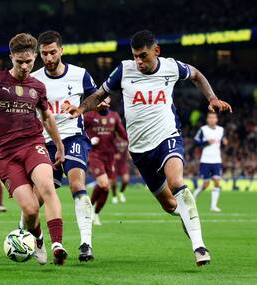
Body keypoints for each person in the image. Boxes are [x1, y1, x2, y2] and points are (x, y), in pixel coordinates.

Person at [64, 29, 232, 266]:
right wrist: (81, 110)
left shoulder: (172, 67)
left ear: (156, 51)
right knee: (170, 205)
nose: (138, 61)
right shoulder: (124, 70)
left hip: (167, 137)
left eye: (143, 56)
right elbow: (100, 93)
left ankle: (199, 246)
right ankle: (186, 213)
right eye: (135, 56)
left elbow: (196, 74)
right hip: (141, 151)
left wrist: (212, 98)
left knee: (176, 182)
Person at [0, 33, 68, 265]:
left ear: (34, 59)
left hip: (33, 144)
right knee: (30, 210)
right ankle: (38, 239)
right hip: (4, 154)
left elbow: (47, 117)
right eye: (19, 61)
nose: (24, 66)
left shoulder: (38, 87)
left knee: (47, 187)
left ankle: (58, 244)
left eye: (29, 61)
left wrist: (59, 146)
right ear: (11, 57)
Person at [25, 30, 97, 261]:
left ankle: (86, 243)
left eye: (52, 52)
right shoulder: (34, 79)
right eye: (44, 54)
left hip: (73, 137)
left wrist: (96, 105)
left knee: (77, 184)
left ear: (61, 51)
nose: (48, 57)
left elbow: (98, 99)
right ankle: (27, 239)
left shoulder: (80, 74)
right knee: (35, 198)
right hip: (44, 142)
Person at [84, 110, 127, 225]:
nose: (104, 100)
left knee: (106, 187)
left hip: (110, 157)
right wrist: (88, 140)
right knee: (104, 184)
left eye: (107, 98)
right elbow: (78, 129)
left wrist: (132, 141)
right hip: (95, 155)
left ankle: (95, 213)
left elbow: (123, 134)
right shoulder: (89, 116)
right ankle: (90, 208)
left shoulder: (114, 116)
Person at [193, 111, 227, 212]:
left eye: (214, 118)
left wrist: (225, 143)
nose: (212, 119)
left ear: (217, 119)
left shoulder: (221, 130)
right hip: (206, 160)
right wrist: (206, 142)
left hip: (217, 160)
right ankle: (194, 195)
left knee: (217, 182)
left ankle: (213, 206)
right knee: (206, 184)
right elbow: (196, 141)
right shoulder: (203, 129)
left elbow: (222, 142)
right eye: (210, 118)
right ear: (207, 119)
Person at [111, 137, 130, 204]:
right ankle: (114, 196)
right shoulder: (112, 140)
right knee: (113, 182)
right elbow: (107, 151)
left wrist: (129, 155)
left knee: (126, 180)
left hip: (123, 164)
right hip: (114, 164)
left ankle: (121, 192)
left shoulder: (126, 139)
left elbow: (128, 149)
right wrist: (113, 156)